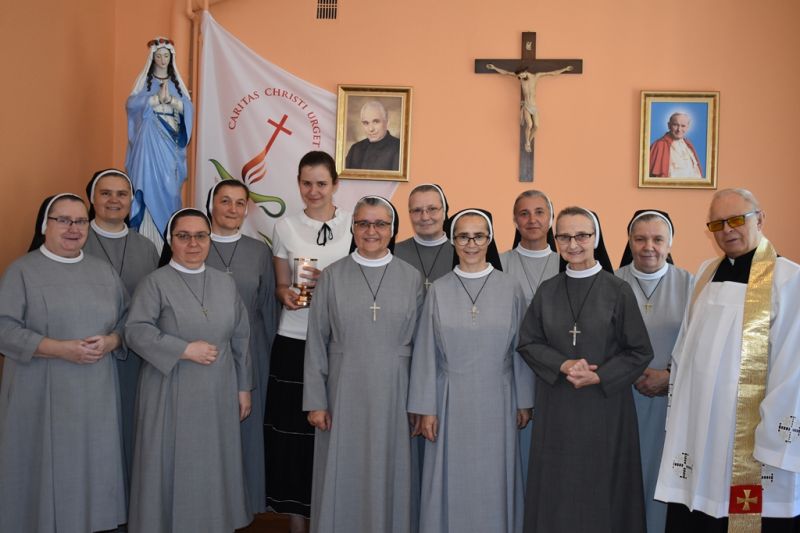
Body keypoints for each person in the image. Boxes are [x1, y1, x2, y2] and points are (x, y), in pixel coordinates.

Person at [655, 188, 800, 531]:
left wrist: (771, 434)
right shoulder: (706, 273)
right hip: (700, 425)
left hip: (750, 427)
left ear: (760, 219)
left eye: (736, 220)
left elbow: (793, 364)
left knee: (745, 513)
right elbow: (685, 347)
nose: (727, 230)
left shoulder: (788, 278)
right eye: (717, 224)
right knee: (700, 510)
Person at [518, 206, 653, 533]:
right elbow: (528, 342)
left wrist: (600, 375)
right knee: (559, 489)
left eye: (582, 235)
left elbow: (640, 351)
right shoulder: (547, 290)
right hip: (558, 408)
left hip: (605, 409)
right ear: (556, 240)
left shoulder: (618, 290)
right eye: (564, 236)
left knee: (603, 491)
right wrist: (562, 364)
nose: (573, 244)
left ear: (596, 238)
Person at [0, 193, 128, 532]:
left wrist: (112, 341)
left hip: (95, 395)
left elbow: (127, 322)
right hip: (39, 393)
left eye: (81, 221)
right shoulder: (22, 271)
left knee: (92, 472)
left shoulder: (104, 271)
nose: (74, 228)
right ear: (45, 225)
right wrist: (59, 349)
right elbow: (4, 329)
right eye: (64, 220)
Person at [125, 208, 251, 533]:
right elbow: (135, 331)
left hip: (219, 388)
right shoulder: (155, 283)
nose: (193, 244)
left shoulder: (225, 283)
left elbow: (241, 337)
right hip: (170, 388)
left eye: (200, 236)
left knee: (212, 463)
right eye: (184, 236)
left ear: (210, 240)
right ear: (171, 240)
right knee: (173, 462)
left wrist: (243, 388)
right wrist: (183, 349)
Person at [409, 208, 534, 533]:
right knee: (452, 475)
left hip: (499, 397)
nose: (471, 244)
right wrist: (426, 408)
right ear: (453, 241)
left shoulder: (511, 287)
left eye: (478, 236)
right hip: (449, 399)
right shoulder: (439, 289)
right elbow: (425, 352)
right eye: (463, 237)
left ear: (489, 239)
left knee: (495, 476)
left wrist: (524, 400)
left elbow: (522, 348)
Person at [304, 195, 423, 533]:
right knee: (345, 469)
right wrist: (315, 401)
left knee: (391, 469)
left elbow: (422, 347)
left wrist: (419, 402)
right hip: (343, 392)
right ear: (353, 228)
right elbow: (316, 341)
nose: (372, 231)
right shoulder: (332, 276)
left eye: (380, 223)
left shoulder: (411, 277)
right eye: (363, 223)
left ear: (393, 229)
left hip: (396, 392)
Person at [265, 151, 353, 533]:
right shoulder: (284, 226)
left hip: (339, 342)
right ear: (298, 184)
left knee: (332, 431)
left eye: (321, 183)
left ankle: (331, 516)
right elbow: (281, 285)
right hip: (295, 339)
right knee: (293, 437)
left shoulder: (355, 225)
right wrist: (285, 294)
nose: (313, 191)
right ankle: (297, 522)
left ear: (335, 184)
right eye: (306, 183)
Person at [205, 179, 279, 517]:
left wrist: (269, 359)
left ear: (247, 210)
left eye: (239, 203)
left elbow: (267, 309)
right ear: (211, 205)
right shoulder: (194, 243)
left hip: (252, 353)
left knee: (246, 431)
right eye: (225, 201)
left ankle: (243, 505)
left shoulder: (259, 252)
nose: (232, 209)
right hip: (205, 353)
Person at [615, 210, 692, 533]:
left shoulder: (692, 285)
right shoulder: (610, 282)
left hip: (671, 403)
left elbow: (701, 342)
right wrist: (630, 372)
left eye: (658, 239)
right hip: (621, 400)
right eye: (641, 239)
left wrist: (670, 377)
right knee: (622, 477)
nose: (649, 247)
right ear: (629, 241)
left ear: (670, 243)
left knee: (663, 476)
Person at [83, 168, 159, 491]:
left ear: (131, 201)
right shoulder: (76, 240)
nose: (114, 200)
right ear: (92, 199)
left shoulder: (146, 248)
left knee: (130, 433)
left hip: (133, 360)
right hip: (87, 356)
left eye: (122, 194)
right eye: (105, 193)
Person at [393, 182, 454, 529]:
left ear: (445, 211)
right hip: (403, 364)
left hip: (445, 368)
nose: (425, 216)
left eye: (432, 208)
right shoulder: (393, 251)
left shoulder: (464, 249)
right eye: (416, 210)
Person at [500, 190, 559, 484]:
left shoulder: (566, 263)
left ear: (551, 218)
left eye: (539, 212)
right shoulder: (498, 264)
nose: (532, 219)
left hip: (556, 373)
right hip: (510, 371)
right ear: (514, 220)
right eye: (524, 213)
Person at [126, 37, 194, 250]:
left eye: (166, 56)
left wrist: (172, 101)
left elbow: (188, 110)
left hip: (170, 145)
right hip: (148, 142)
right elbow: (131, 105)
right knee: (145, 182)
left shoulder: (177, 86)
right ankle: (146, 240)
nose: (163, 60)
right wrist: (154, 100)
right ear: (152, 58)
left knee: (170, 188)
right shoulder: (144, 84)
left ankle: (166, 239)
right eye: (159, 56)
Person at [485, 63, 574, 151]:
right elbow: (506, 73)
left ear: (525, 71)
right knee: (530, 125)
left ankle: (528, 141)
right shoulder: (520, 78)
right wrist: (494, 68)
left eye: (521, 75)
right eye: (519, 76)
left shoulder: (536, 76)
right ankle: (527, 143)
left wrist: (565, 69)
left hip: (534, 106)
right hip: (527, 106)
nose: (520, 77)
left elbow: (551, 73)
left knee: (536, 126)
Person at [344, 100, 400, 171]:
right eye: (366, 123)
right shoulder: (355, 149)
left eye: (376, 122)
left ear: (387, 122)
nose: (371, 129)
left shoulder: (399, 147)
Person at [649, 112, 704, 178]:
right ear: (669, 125)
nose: (679, 129)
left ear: (687, 127)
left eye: (683, 126)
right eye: (675, 125)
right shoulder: (659, 145)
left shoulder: (688, 145)